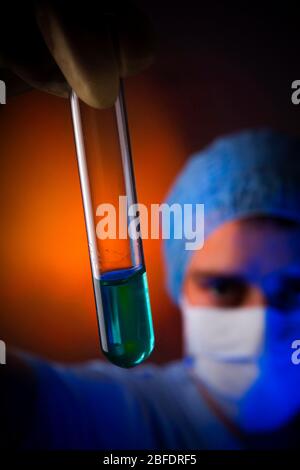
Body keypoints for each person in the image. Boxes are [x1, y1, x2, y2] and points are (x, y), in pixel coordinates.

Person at [1, 128, 300, 450]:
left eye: (293, 288)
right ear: (180, 288)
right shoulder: (116, 419)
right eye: (224, 288)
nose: (262, 323)